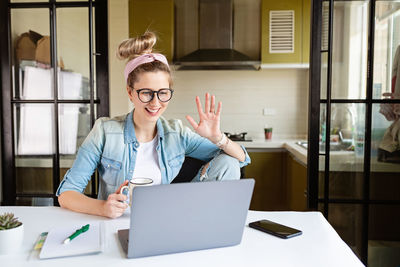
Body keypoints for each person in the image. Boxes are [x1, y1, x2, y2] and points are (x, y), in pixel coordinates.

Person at [57, 31, 251, 218]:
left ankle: (203, 224)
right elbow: (66, 194)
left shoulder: (177, 132)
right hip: (118, 222)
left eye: (163, 92)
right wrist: (102, 208)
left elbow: (241, 158)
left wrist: (218, 138)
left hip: (167, 218)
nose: (155, 103)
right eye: (146, 93)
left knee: (229, 162)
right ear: (130, 92)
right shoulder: (104, 131)